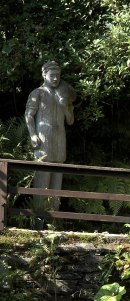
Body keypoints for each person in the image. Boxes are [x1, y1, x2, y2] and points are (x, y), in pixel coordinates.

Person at [25, 60, 76, 212]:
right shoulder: (37, 93)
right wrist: (33, 134)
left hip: (60, 141)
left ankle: (54, 219)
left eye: (58, 76)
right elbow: (28, 115)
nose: (55, 79)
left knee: (57, 182)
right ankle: (39, 219)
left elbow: (70, 121)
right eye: (52, 75)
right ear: (44, 74)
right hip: (44, 141)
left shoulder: (63, 95)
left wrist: (65, 105)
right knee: (42, 178)